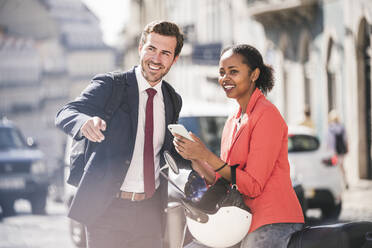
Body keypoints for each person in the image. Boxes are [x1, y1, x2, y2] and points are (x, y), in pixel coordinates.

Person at [55, 20, 185, 248]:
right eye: (151, 49)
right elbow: (66, 112)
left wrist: (204, 161)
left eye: (165, 53)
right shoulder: (111, 85)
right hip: (107, 211)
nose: (156, 59)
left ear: (174, 59)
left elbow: (166, 152)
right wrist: (84, 122)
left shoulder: (173, 99)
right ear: (140, 48)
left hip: (150, 213)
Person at [174, 44, 304, 248]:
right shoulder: (232, 120)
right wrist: (196, 159)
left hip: (271, 220)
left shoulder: (266, 114)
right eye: (222, 72)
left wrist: (207, 155)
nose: (225, 78)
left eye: (233, 71)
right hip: (236, 218)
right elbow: (226, 178)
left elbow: (252, 185)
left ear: (254, 74)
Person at [327, 109, 349, 189]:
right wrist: (347, 148)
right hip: (342, 151)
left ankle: (339, 184)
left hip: (334, 151)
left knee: (336, 167)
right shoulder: (342, 127)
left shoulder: (330, 128)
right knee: (341, 166)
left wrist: (329, 151)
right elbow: (345, 139)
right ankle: (345, 181)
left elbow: (329, 141)